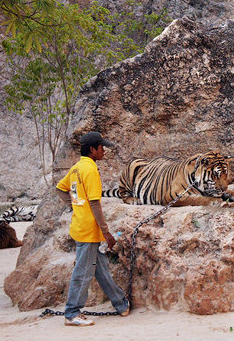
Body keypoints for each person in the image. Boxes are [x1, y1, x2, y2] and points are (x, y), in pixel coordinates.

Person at [56, 131, 130, 326]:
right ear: (92, 150)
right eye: (101, 147)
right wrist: (107, 232)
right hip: (89, 231)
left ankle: (121, 304)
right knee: (84, 272)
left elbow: (61, 188)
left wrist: (74, 204)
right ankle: (72, 313)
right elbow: (95, 203)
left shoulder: (75, 169)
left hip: (81, 226)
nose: (104, 151)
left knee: (100, 269)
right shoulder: (90, 170)